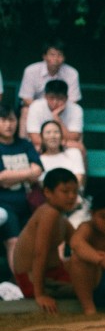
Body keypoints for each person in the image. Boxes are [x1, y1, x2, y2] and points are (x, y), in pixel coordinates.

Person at [12, 168, 78, 313]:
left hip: (55, 273)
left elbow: (80, 245)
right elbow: (39, 254)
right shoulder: (49, 213)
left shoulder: (61, 218)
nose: (72, 196)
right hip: (34, 280)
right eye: (65, 191)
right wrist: (40, 294)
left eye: (75, 191)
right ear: (48, 192)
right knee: (89, 288)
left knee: (89, 271)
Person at [0, 105, 44, 269]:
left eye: (12, 120)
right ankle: (20, 283)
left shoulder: (24, 144)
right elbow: (1, 178)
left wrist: (9, 176)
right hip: (4, 205)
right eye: (3, 120)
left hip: (29, 204)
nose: (8, 125)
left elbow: (38, 170)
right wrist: (28, 173)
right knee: (13, 242)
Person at [19, 41, 82, 138]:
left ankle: (71, 144)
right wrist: (44, 109)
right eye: (52, 55)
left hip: (63, 108)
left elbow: (74, 100)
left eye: (60, 55)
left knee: (74, 113)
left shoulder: (72, 73)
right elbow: (26, 98)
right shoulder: (31, 70)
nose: (55, 59)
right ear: (44, 56)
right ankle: (24, 146)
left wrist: (57, 109)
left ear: (64, 58)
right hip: (37, 108)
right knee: (25, 111)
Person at [38, 120, 89, 228]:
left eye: (56, 132)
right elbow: (42, 187)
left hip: (74, 202)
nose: (52, 136)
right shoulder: (38, 160)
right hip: (49, 205)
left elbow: (78, 180)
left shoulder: (74, 153)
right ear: (41, 137)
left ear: (62, 136)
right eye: (48, 133)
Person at [26, 79, 85, 152]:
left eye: (60, 98)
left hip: (66, 145)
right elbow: (35, 138)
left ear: (66, 98)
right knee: (35, 148)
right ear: (45, 97)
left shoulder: (76, 109)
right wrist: (58, 144)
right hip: (46, 144)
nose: (55, 102)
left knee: (79, 148)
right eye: (52, 98)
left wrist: (57, 119)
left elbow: (74, 137)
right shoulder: (35, 106)